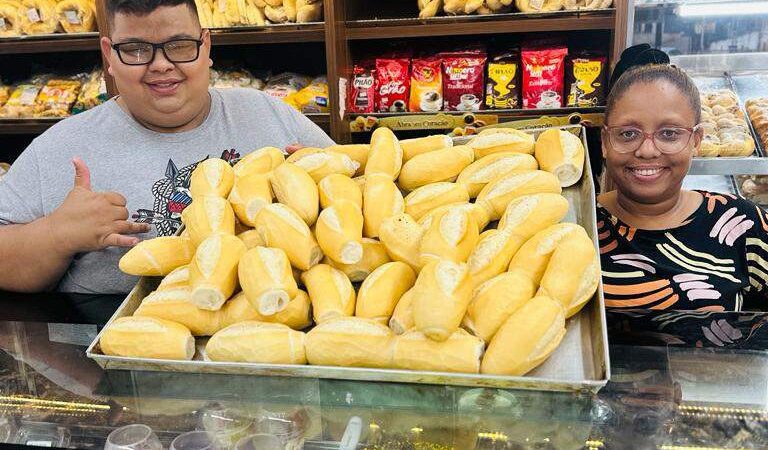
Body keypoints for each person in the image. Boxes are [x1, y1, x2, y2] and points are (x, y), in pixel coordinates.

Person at [0, 0, 334, 294]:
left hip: (272, 340)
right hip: (113, 353)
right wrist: (56, 234)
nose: (161, 64)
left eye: (179, 45)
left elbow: (373, 196)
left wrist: (329, 182)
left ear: (205, 47)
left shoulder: (269, 114)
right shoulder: (61, 147)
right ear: (109, 56)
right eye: (135, 49)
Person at [598, 49, 768, 312]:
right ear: (605, 142)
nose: (647, 150)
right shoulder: (579, 225)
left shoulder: (744, 224)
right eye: (628, 133)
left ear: (696, 141)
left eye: (669, 133)